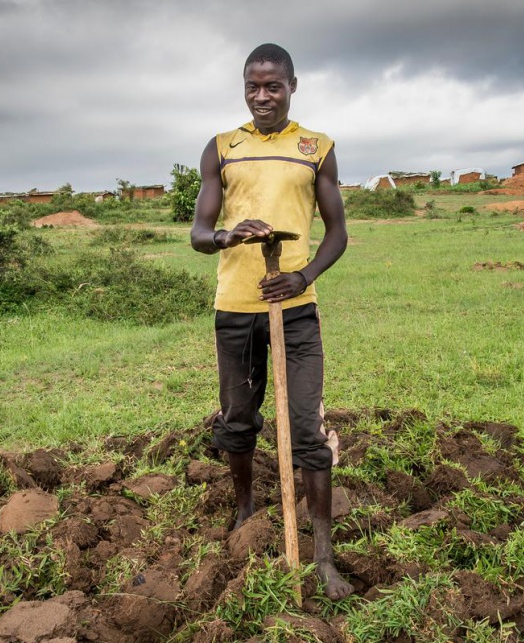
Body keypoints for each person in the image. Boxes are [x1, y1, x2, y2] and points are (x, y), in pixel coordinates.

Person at [190, 43, 352, 600]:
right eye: (253, 87)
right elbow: (198, 233)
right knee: (237, 420)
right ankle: (245, 511)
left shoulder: (317, 149)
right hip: (236, 310)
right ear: (244, 88)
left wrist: (302, 277)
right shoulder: (221, 148)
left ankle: (325, 557)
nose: (263, 96)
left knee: (306, 429)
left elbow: (337, 233)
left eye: (273, 86)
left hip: (295, 312)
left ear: (292, 86)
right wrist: (226, 236)